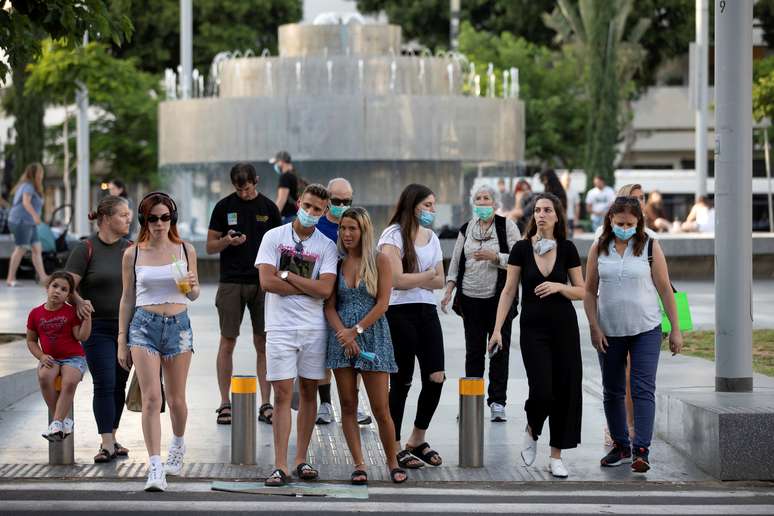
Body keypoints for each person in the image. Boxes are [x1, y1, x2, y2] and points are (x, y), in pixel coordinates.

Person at [584, 196, 683, 473]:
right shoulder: (598, 247)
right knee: (612, 391)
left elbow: (665, 289)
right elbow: (589, 291)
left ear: (639, 222)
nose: (624, 228)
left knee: (642, 390)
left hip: (646, 329)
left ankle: (641, 450)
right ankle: (620, 445)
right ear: (610, 221)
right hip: (609, 331)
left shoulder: (650, 245)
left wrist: (675, 329)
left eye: (630, 223)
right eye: (619, 223)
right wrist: (594, 326)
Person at [489, 193, 585, 479]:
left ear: (557, 216)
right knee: (543, 390)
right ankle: (532, 429)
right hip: (533, 330)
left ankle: (556, 455)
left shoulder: (567, 248)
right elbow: (508, 291)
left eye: (547, 210)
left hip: (564, 328)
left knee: (565, 390)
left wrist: (559, 287)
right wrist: (497, 329)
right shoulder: (520, 248)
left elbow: (582, 291)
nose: (541, 214)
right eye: (538, 210)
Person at [256, 184, 339, 487]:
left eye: (318, 209)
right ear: (299, 203)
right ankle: (279, 464)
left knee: (308, 392)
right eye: (308, 206)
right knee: (280, 394)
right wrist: (308, 284)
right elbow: (266, 282)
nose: (311, 212)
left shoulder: (326, 246)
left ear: (324, 211)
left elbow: (326, 289)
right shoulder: (273, 238)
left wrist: (289, 275)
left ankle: (301, 459)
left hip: (313, 328)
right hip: (279, 327)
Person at [117, 192, 200, 492]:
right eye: (153, 218)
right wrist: (121, 338)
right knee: (153, 398)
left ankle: (177, 444)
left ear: (172, 219)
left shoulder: (185, 249)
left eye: (165, 217)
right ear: (144, 221)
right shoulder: (133, 254)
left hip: (179, 325)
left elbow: (194, 294)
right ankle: (154, 466)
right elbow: (127, 298)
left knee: (177, 399)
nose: (159, 223)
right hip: (144, 326)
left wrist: (191, 287)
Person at [324, 207, 407, 484]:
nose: (346, 234)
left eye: (352, 229)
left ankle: (392, 461)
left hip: (373, 336)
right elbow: (330, 306)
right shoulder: (336, 263)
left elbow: (383, 303)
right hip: (341, 341)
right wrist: (343, 335)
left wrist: (356, 331)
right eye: (343, 228)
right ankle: (359, 464)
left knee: (381, 408)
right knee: (348, 404)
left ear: (364, 231)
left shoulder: (380, 260)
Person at [207, 163, 281, 426]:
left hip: (262, 282)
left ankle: (265, 402)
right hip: (231, 282)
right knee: (228, 341)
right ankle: (224, 402)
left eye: (248, 188)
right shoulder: (223, 207)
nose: (245, 193)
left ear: (256, 181)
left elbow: (279, 247)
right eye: (239, 189)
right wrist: (227, 241)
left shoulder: (269, 208)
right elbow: (209, 246)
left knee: (263, 343)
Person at [378, 184, 446, 470]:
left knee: (437, 376)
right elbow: (395, 280)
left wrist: (416, 276)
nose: (432, 210)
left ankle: (417, 439)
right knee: (402, 381)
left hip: (427, 311)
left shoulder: (432, 237)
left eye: (433, 205)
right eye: (427, 205)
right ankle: (393, 447)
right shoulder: (392, 235)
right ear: (413, 205)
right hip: (399, 312)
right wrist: (425, 275)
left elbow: (440, 280)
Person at [441, 184, 520, 422]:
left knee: (498, 352)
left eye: (487, 198)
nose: (483, 202)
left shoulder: (506, 226)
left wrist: (495, 257)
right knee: (473, 352)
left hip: (499, 300)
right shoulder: (467, 228)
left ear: (495, 203)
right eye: (479, 198)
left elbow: (519, 259)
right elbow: (455, 261)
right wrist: (448, 289)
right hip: (470, 300)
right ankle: (471, 402)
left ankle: (497, 402)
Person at [65, 195, 134, 463]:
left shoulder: (130, 248)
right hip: (97, 328)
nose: (128, 218)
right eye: (122, 214)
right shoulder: (85, 249)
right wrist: (79, 301)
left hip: (126, 327)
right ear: (105, 219)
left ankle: (113, 438)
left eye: (128, 214)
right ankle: (106, 442)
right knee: (104, 382)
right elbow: (66, 285)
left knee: (119, 384)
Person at [314, 178, 372, 426]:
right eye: (336, 201)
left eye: (346, 201)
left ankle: (353, 404)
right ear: (327, 200)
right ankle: (325, 403)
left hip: (350, 301)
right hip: (321, 299)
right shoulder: (317, 227)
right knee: (325, 353)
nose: (340, 205)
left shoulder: (356, 225)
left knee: (353, 349)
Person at [26, 271, 91, 441]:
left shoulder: (71, 312)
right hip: (50, 358)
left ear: (68, 295)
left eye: (63, 289)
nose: (57, 291)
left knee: (69, 381)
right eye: (55, 286)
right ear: (47, 287)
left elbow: (81, 337)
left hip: (73, 357)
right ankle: (64, 421)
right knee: (45, 376)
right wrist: (41, 356)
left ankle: (56, 422)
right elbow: (31, 341)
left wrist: (87, 318)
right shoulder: (35, 313)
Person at [6, 162, 48, 286]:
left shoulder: (32, 186)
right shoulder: (28, 186)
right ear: (35, 173)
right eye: (40, 172)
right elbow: (26, 203)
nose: (42, 174)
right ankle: (10, 279)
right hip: (21, 221)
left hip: (29, 222)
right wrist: (35, 216)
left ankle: (43, 277)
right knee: (21, 248)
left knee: (36, 248)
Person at [271, 150, 300, 224]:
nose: (276, 165)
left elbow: (282, 199)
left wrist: (273, 217)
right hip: (297, 216)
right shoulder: (295, 175)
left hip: (288, 218)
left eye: (276, 162)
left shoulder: (285, 177)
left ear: (281, 162)